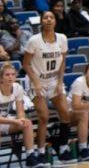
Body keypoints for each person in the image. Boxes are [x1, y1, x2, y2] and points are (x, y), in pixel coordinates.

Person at [24, 10, 72, 166]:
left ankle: (62, 146)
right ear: (41, 21)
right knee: (43, 116)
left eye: (51, 17)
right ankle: (41, 151)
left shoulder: (62, 39)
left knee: (66, 113)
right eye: (46, 18)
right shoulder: (34, 40)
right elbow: (26, 64)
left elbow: (62, 62)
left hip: (53, 80)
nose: (49, 20)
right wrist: (36, 83)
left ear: (55, 21)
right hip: (35, 80)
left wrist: (60, 82)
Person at [0, 61, 40, 166]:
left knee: (27, 123)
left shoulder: (17, 87)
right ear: (1, 78)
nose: (10, 77)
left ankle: (30, 157)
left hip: (6, 120)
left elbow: (20, 111)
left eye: (13, 74)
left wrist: (21, 119)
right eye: (7, 75)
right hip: (4, 121)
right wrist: (14, 121)